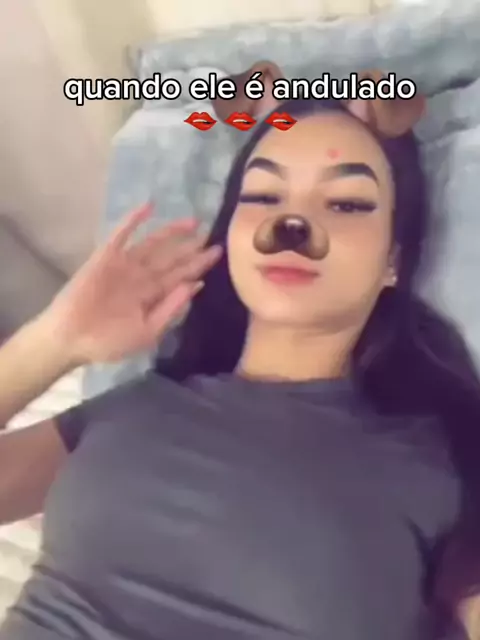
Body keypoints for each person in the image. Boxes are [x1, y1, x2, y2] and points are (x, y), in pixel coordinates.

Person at [0, 96, 479, 640]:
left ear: (394, 258)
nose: (292, 223)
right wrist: (53, 342)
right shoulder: (141, 406)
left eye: (346, 203)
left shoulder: (443, 462)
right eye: (263, 195)